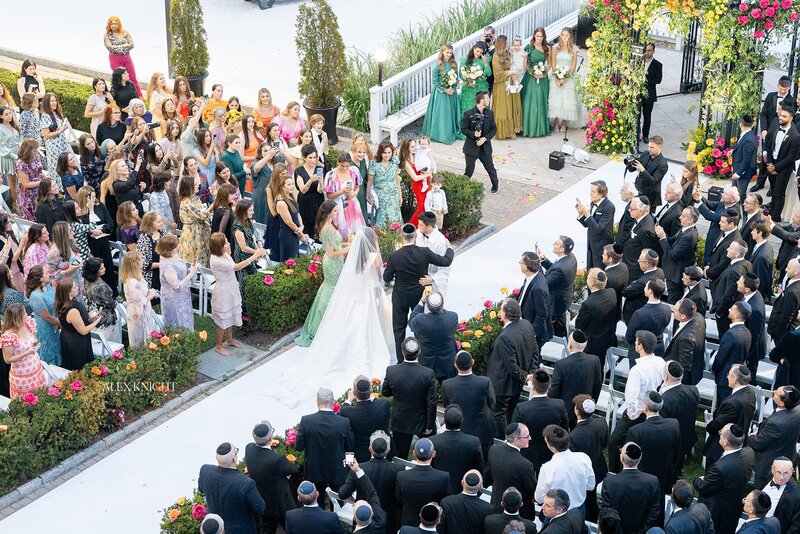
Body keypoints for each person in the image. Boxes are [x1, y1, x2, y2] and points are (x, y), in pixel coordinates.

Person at [384, 223, 453, 360]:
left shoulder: (394, 256)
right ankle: (418, 357)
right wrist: (449, 247)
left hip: (400, 296)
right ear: (415, 236)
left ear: (401, 236)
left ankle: (400, 360)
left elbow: (387, 278)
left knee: (399, 329)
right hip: (419, 296)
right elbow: (446, 261)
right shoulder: (424, 252)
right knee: (419, 327)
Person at [608, 331, 665, 472]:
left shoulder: (637, 370)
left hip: (637, 412)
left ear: (640, 346)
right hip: (651, 408)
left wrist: (632, 414)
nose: (635, 343)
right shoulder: (660, 361)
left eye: (636, 341)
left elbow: (631, 397)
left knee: (614, 442)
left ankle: (615, 472)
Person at [295, 201, 348, 344]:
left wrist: (345, 245)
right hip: (332, 264)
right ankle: (322, 324)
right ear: (328, 212)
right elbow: (331, 253)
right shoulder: (327, 229)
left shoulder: (329, 225)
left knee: (332, 289)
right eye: (335, 211)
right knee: (331, 290)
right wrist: (347, 250)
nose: (337, 214)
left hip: (336, 262)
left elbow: (334, 245)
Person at [296, 388, 355, 506]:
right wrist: (348, 466)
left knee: (317, 501)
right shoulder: (343, 422)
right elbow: (350, 446)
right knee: (339, 501)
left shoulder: (306, 421)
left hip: (315, 469)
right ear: (333, 402)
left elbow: (298, 447)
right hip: (337, 468)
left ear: (317, 402)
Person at [489, 298, 539, 437]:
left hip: (503, 385)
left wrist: (526, 376)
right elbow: (535, 350)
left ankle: (502, 439)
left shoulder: (506, 336)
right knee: (511, 412)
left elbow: (511, 366)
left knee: (498, 414)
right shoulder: (527, 324)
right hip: (516, 383)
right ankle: (512, 436)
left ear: (504, 314)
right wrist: (531, 372)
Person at [209, 232, 264, 355]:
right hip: (223, 291)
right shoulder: (216, 260)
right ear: (219, 246)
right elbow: (237, 267)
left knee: (231, 314)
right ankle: (218, 345)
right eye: (226, 243)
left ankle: (229, 339)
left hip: (231, 287)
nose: (229, 244)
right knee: (223, 318)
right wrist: (254, 256)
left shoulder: (225, 255)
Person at [382, 337, 437, 459]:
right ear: (419, 352)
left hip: (401, 420)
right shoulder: (428, 373)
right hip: (422, 421)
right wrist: (429, 426)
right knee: (429, 454)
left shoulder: (392, 371)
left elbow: (385, 391)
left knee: (400, 456)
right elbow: (431, 402)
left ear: (402, 352)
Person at [694, 424, 755, 534]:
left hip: (717, 513)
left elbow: (703, 487)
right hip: (734, 506)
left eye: (721, 433)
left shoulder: (721, 468)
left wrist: (698, 479)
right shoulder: (749, 453)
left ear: (726, 441)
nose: (719, 434)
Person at [337, 432, 403, 534]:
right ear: (388, 450)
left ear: (370, 449)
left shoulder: (359, 469)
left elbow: (343, 493)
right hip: (388, 518)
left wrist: (348, 472)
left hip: (363, 518)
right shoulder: (398, 469)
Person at [244, 422, 298, 534]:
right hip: (281, 503)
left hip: (262, 499)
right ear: (270, 438)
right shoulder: (277, 459)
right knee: (291, 527)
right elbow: (293, 469)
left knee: (267, 528)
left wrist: (268, 446)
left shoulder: (249, 448)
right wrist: (294, 461)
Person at [199, 441, 265, 534]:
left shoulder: (205, 470)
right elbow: (260, 508)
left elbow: (201, 489)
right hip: (242, 529)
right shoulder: (245, 483)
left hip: (214, 526)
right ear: (234, 459)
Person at [441, 351, 496, 458]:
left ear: (455, 365)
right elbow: (492, 403)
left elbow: (447, 406)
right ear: (473, 362)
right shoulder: (484, 382)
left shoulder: (447, 385)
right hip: (483, 432)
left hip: (460, 432)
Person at [512, 370, 568, 473]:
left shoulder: (522, 408)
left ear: (532, 386)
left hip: (528, 454)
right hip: (552, 453)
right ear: (549, 386)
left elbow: (514, 433)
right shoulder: (559, 405)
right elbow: (564, 429)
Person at [627, 391, 681, 497]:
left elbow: (630, 459)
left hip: (641, 480)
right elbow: (676, 452)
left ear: (645, 407)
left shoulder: (635, 431)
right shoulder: (674, 424)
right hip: (664, 476)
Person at [600, 442, 662, 534]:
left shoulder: (609, 482)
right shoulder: (652, 482)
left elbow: (607, 512)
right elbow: (654, 512)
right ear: (639, 459)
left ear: (621, 458)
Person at [703, 364, 756, 469]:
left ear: (735, 379)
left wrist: (709, 425)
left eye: (729, 374)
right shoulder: (750, 393)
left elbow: (717, 425)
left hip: (723, 447)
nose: (727, 376)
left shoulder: (733, 403)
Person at [748, 386, 800, 489]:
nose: (774, 391)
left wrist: (751, 436)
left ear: (781, 403)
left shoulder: (776, 424)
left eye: (776, 393)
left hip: (768, 465)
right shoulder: (797, 410)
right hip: (788, 452)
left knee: (762, 495)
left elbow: (758, 443)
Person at [534, 425, 594, 513]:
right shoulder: (584, 458)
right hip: (579, 510)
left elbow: (539, 498)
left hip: (557, 512)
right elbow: (590, 486)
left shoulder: (547, 468)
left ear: (552, 447)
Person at [550, 330, 603, 428]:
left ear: (570, 344)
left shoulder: (561, 364)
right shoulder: (595, 360)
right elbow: (597, 385)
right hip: (585, 408)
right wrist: (591, 402)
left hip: (565, 410)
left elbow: (554, 390)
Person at [485, 422, 538, 519]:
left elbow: (490, 474)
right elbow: (533, 491)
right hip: (519, 512)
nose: (530, 438)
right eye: (526, 436)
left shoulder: (493, 450)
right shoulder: (525, 464)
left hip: (497, 505)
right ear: (516, 440)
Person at [395, 438, 451, 527]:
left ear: (413, 453)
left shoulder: (402, 476)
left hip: (409, 525)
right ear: (434, 454)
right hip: (433, 525)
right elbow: (445, 503)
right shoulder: (443, 477)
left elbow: (399, 499)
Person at [569, 396, 608, 522]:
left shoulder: (574, 436)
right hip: (599, 466)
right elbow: (605, 444)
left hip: (584, 473)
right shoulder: (602, 422)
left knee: (587, 500)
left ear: (576, 411)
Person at [429, 405, 484, 492]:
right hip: (463, 489)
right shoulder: (473, 442)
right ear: (462, 420)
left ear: (444, 420)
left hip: (439, 488)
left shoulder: (433, 442)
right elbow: (478, 468)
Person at [338, 376, 391, 463]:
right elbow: (379, 403)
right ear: (371, 391)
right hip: (383, 451)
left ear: (354, 393)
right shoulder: (383, 405)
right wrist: (370, 395)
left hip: (359, 456)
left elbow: (342, 413)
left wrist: (348, 400)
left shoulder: (347, 411)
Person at [408, 291, 458, 382]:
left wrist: (421, 301)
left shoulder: (421, 320)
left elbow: (412, 319)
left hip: (426, 362)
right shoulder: (452, 317)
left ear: (428, 305)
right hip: (447, 362)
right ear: (442, 304)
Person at [762, 104, 800, 220]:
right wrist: (768, 163)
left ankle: (776, 216)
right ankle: (771, 207)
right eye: (781, 115)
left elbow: (790, 158)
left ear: (791, 118)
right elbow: (768, 142)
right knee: (773, 188)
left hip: (783, 167)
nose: (781, 118)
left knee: (779, 193)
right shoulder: (774, 123)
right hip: (771, 162)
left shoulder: (795, 136)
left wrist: (775, 168)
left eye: (784, 116)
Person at [1, 303, 46, 400]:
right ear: (17, 318)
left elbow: (34, 338)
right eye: (24, 313)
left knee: (40, 397)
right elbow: (7, 359)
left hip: (36, 369)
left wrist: (36, 344)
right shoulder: (9, 336)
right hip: (22, 377)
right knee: (26, 403)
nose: (27, 315)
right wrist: (26, 353)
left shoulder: (28, 324)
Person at [55, 277, 100, 370]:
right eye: (75, 287)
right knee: (79, 366)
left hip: (69, 336)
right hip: (76, 342)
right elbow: (83, 331)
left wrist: (88, 316)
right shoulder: (72, 311)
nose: (78, 288)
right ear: (68, 292)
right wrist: (96, 322)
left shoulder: (64, 302)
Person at [657, 206, 699, 302]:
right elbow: (673, 240)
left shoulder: (689, 236)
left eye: (683, 216)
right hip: (672, 273)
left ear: (690, 220)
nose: (680, 217)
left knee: (673, 300)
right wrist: (663, 234)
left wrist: (663, 238)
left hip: (675, 276)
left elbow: (673, 254)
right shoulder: (685, 229)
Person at [538, 235, 577, 338]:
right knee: (560, 326)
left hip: (555, 303)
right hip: (564, 299)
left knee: (552, 328)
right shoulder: (570, 257)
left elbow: (543, 283)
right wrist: (544, 260)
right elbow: (554, 269)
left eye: (556, 243)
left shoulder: (561, 269)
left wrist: (537, 265)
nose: (553, 244)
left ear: (562, 249)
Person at [422, 44, 463, 144]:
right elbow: (435, 82)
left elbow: (456, 78)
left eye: (450, 52)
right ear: (442, 52)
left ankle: (452, 130)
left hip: (452, 92)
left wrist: (453, 88)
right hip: (441, 93)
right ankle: (441, 134)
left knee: (451, 112)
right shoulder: (437, 64)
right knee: (443, 114)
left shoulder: (454, 64)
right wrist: (445, 90)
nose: (449, 54)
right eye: (447, 52)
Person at [576, 269, 617, 366]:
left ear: (591, 282)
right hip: (607, 337)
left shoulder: (588, 304)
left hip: (593, 344)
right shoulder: (612, 292)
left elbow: (579, 324)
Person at [624, 279, 671, 365]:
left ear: (650, 291)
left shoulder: (639, 314)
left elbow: (629, 336)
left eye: (646, 286)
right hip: (658, 348)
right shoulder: (667, 310)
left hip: (640, 353)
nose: (644, 288)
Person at [713, 303, 753, 402]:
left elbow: (721, 357)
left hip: (726, 378)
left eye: (732, 308)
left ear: (736, 315)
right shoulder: (747, 333)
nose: (729, 309)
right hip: (736, 375)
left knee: (722, 405)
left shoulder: (731, 334)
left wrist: (714, 369)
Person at [157, 234, 197, 331]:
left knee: (185, 317)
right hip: (173, 299)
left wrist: (188, 271)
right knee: (177, 322)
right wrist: (191, 274)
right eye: (175, 246)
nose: (178, 247)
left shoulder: (174, 256)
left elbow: (180, 272)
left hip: (182, 296)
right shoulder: (168, 266)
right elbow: (177, 286)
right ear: (168, 249)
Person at [461, 91, 499, 193]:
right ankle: (461, 187)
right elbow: (463, 129)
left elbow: (494, 129)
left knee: (490, 168)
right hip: (471, 148)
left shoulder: (490, 113)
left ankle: (495, 185)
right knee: (469, 170)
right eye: (487, 98)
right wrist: (474, 134)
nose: (489, 100)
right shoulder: (468, 114)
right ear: (482, 100)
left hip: (485, 148)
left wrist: (484, 138)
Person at [25, 266, 61, 365]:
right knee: (47, 348)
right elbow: (46, 316)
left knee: (55, 345)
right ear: (40, 278)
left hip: (54, 320)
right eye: (46, 273)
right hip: (45, 325)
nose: (48, 274)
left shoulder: (48, 286)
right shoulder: (36, 296)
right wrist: (59, 323)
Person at [576, 180, 615, 269]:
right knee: (590, 271)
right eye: (591, 191)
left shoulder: (609, 207)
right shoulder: (593, 203)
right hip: (591, 245)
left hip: (601, 248)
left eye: (593, 192)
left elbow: (599, 229)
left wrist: (587, 214)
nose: (590, 194)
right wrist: (580, 214)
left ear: (602, 194)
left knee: (598, 274)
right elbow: (588, 224)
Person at [325, 152, 365, 238]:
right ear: (338, 163)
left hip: (353, 205)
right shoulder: (331, 175)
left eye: (347, 166)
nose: (345, 168)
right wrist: (341, 192)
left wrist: (354, 193)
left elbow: (358, 186)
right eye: (342, 166)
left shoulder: (354, 171)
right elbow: (329, 196)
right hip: (338, 207)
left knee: (356, 231)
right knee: (342, 233)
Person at [120, 251, 155, 347]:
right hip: (137, 314)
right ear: (135, 263)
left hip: (143, 311)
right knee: (139, 341)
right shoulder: (131, 282)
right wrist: (150, 295)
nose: (143, 260)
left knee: (146, 339)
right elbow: (139, 302)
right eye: (141, 259)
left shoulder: (137, 277)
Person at [665, 300, 705, 385]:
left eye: (675, 311)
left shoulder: (686, 339)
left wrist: (675, 384)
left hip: (682, 379)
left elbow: (684, 367)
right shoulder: (699, 317)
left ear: (683, 316)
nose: (673, 312)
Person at [516, 251, 551, 347]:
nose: (519, 264)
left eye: (521, 262)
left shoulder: (538, 288)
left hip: (531, 331)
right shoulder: (533, 275)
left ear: (526, 267)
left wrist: (531, 334)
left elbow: (542, 314)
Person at [548, 27, 579, 134]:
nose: (564, 37)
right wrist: (557, 77)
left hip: (569, 77)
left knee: (567, 99)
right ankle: (556, 121)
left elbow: (574, 65)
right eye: (563, 35)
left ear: (570, 36)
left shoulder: (574, 49)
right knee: (556, 99)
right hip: (556, 75)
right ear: (560, 36)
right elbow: (553, 63)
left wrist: (565, 78)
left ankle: (564, 122)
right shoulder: (555, 47)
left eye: (567, 35)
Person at [521, 27, 551, 138]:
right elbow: (526, 64)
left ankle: (540, 128)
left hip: (542, 78)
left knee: (541, 102)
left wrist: (543, 73)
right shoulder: (529, 47)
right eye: (537, 36)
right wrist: (532, 73)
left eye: (541, 36)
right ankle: (528, 128)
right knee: (530, 102)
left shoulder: (547, 48)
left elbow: (549, 64)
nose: (538, 38)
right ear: (534, 35)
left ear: (544, 37)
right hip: (530, 77)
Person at [81, 258, 120, 344]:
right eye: (102, 268)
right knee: (111, 339)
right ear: (95, 271)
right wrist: (115, 303)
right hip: (105, 316)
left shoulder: (87, 279)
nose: (105, 269)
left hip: (92, 311)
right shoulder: (101, 286)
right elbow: (110, 303)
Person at [491, 35, 522, 139]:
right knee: (503, 107)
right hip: (501, 84)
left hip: (510, 83)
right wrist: (511, 72)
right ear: (501, 44)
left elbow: (511, 65)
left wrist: (514, 77)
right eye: (506, 43)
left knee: (511, 106)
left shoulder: (507, 53)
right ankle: (502, 131)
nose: (508, 45)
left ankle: (511, 129)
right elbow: (498, 73)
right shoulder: (496, 56)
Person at [415, 211, 451, 297]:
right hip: (419, 280)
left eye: (420, 225)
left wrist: (432, 279)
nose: (418, 227)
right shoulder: (418, 232)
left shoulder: (440, 241)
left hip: (434, 282)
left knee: (431, 305)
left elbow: (445, 268)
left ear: (429, 226)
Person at [622, 199, 659, 282]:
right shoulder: (641, 219)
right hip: (629, 264)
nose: (629, 210)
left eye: (632, 209)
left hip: (635, 270)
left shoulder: (645, 229)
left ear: (641, 211)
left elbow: (647, 252)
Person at [178, 175, 212, 267]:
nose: (198, 186)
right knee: (195, 260)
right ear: (189, 187)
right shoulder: (186, 202)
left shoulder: (195, 198)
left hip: (201, 231)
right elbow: (203, 214)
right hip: (192, 233)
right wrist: (214, 205)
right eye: (195, 185)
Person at [367, 140, 403, 226]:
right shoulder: (374, 164)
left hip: (394, 193)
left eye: (389, 152)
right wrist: (368, 195)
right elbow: (370, 181)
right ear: (380, 153)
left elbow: (396, 178)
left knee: (394, 215)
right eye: (384, 153)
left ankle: (395, 235)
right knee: (383, 216)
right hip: (380, 194)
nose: (387, 155)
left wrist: (400, 194)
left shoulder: (394, 161)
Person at [760, 457, 800, 533]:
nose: (782, 478)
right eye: (778, 472)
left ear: (792, 472)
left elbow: (796, 527)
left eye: (786, 473)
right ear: (772, 469)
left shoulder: (796, 496)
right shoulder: (764, 477)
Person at [104, 17, 142, 97]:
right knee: (120, 79)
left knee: (132, 78)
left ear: (119, 24)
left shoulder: (125, 33)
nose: (114, 25)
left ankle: (139, 96)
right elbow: (110, 48)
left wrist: (117, 47)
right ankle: (122, 97)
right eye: (112, 24)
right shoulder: (107, 35)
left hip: (127, 58)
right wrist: (124, 46)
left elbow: (131, 45)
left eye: (116, 23)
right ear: (109, 25)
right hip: (115, 60)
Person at [293, 145, 324, 240]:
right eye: (310, 157)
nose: (312, 160)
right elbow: (302, 190)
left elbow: (320, 190)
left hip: (317, 200)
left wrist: (321, 183)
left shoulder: (319, 169)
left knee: (317, 224)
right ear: (304, 158)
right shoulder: (299, 170)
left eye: (314, 157)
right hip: (304, 201)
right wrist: (310, 180)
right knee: (306, 224)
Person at [40, 93, 72, 182]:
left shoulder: (57, 113)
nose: (54, 103)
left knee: (65, 164)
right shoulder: (45, 116)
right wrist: (60, 130)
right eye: (52, 101)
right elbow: (46, 134)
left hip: (62, 143)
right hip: (54, 146)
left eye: (55, 101)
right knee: (57, 166)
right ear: (47, 102)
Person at [740, 274, 767, 378]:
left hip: (752, 352)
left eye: (740, 282)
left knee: (748, 378)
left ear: (747, 289)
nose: (737, 282)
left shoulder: (755, 309)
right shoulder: (753, 294)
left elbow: (754, 335)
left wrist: (746, 356)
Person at [768, 258, 800, 344]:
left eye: (789, 268)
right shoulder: (794, 285)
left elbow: (786, 317)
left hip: (781, 335)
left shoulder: (792, 292)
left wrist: (777, 335)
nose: (786, 269)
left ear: (796, 272)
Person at [275, 171, 305, 261]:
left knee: (295, 258)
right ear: (282, 186)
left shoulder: (290, 196)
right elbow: (289, 222)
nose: (292, 186)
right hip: (287, 234)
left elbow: (297, 212)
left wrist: (302, 225)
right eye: (289, 185)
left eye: (292, 184)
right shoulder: (281, 202)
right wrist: (301, 234)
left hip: (295, 232)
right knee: (288, 260)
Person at [633, 137, 669, 211]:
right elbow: (633, 168)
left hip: (650, 196)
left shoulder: (663, 164)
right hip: (638, 189)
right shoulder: (646, 153)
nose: (649, 149)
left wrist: (643, 170)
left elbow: (654, 181)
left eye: (652, 147)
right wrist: (631, 163)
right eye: (649, 146)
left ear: (660, 147)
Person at [46, 220, 83, 290]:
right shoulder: (54, 253)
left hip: (77, 283)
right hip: (64, 289)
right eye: (69, 231)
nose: (73, 232)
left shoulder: (71, 242)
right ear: (63, 234)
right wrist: (68, 271)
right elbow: (49, 276)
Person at [459, 42, 491, 116]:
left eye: (480, 52)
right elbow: (461, 74)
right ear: (473, 49)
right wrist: (468, 80)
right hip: (468, 89)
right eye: (477, 51)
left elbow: (489, 73)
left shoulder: (483, 61)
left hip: (480, 88)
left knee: (480, 108)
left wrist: (486, 63)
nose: (478, 53)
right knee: (468, 108)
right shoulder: (465, 60)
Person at [15, 139, 43, 221]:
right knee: (31, 218)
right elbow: (26, 184)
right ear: (28, 151)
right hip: (28, 195)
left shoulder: (36, 157)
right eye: (34, 151)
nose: (36, 153)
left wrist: (45, 177)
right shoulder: (21, 164)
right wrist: (41, 182)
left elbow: (39, 170)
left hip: (39, 190)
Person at [639, 43, 662, 144]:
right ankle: (637, 133)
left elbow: (658, 80)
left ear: (653, 51)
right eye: (646, 50)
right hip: (638, 94)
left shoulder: (658, 65)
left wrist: (645, 79)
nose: (647, 52)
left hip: (649, 95)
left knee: (647, 116)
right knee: (636, 115)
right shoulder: (638, 61)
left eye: (650, 50)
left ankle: (645, 135)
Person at [770, 312, 800, 389]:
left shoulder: (792, 336)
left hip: (789, 382)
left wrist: (783, 359)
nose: (799, 311)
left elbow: (773, 356)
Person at [733, 115, 758, 201]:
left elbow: (747, 160)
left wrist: (738, 174)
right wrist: (733, 151)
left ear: (740, 124)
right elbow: (743, 150)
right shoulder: (748, 134)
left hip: (744, 173)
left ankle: (742, 212)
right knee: (734, 192)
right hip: (739, 168)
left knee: (740, 194)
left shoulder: (748, 139)